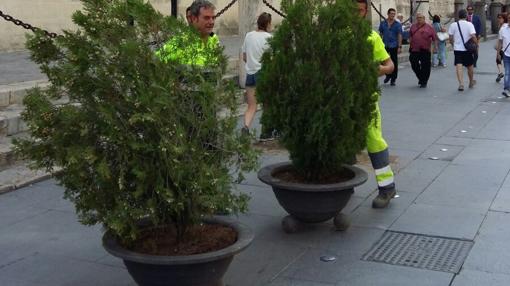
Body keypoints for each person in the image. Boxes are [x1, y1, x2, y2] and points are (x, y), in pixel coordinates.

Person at [356, 0, 397, 209]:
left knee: (373, 139)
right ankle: (344, 185)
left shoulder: (371, 37)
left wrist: (377, 70)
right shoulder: (336, 36)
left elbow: (389, 65)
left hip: (367, 97)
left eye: (361, 11)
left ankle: (387, 187)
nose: (357, 14)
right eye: (353, 10)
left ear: (365, 12)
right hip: (341, 97)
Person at [157, 0, 219, 66]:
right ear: (194, 18)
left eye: (213, 18)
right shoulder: (181, 42)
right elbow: (156, 61)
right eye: (206, 18)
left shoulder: (214, 38)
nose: (211, 22)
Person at [241, 12, 273, 136]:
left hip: (250, 74)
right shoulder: (269, 38)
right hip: (263, 73)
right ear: (268, 24)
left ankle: (246, 127)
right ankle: (266, 133)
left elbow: (244, 56)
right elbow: (271, 59)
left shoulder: (249, 35)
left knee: (251, 106)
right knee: (267, 105)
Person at [448, 9, 477, 91]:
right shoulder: (469, 24)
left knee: (459, 66)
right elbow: (473, 36)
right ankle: (471, 81)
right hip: (467, 49)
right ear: (466, 16)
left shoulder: (453, 25)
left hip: (457, 49)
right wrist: (476, 45)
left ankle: (461, 84)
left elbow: (450, 37)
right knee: (470, 66)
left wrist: (454, 44)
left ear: (458, 16)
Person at [409, 13, 437, 88]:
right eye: (418, 18)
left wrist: (435, 48)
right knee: (414, 64)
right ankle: (421, 77)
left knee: (426, 66)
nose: (419, 19)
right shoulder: (413, 26)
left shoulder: (429, 27)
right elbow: (411, 36)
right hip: (414, 49)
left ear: (424, 18)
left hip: (425, 49)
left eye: (421, 18)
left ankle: (424, 81)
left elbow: (434, 38)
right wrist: (410, 45)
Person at [379, 8, 402, 86]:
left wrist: (399, 46)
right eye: (391, 13)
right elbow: (380, 34)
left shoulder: (397, 24)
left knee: (394, 62)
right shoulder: (383, 23)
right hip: (384, 45)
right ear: (388, 14)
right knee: (384, 62)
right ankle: (388, 75)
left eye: (394, 14)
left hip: (394, 45)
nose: (393, 15)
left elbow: (399, 35)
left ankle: (393, 79)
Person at [497, 14, 510, 97]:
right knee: (507, 72)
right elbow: (500, 42)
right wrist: (498, 53)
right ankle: (506, 89)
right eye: (509, 18)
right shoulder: (503, 29)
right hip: (506, 54)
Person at [495, 13, 508, 83]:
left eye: (500, 18)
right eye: (498, 18)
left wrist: (498, 52)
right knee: (499, 61)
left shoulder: (502, 28)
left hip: (503, 49)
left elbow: (500, 41)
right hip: (505, 48)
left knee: (498, 60)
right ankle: (500, 73)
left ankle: (500, 73)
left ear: (504, 18)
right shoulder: (502, 27)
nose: (499, 19)